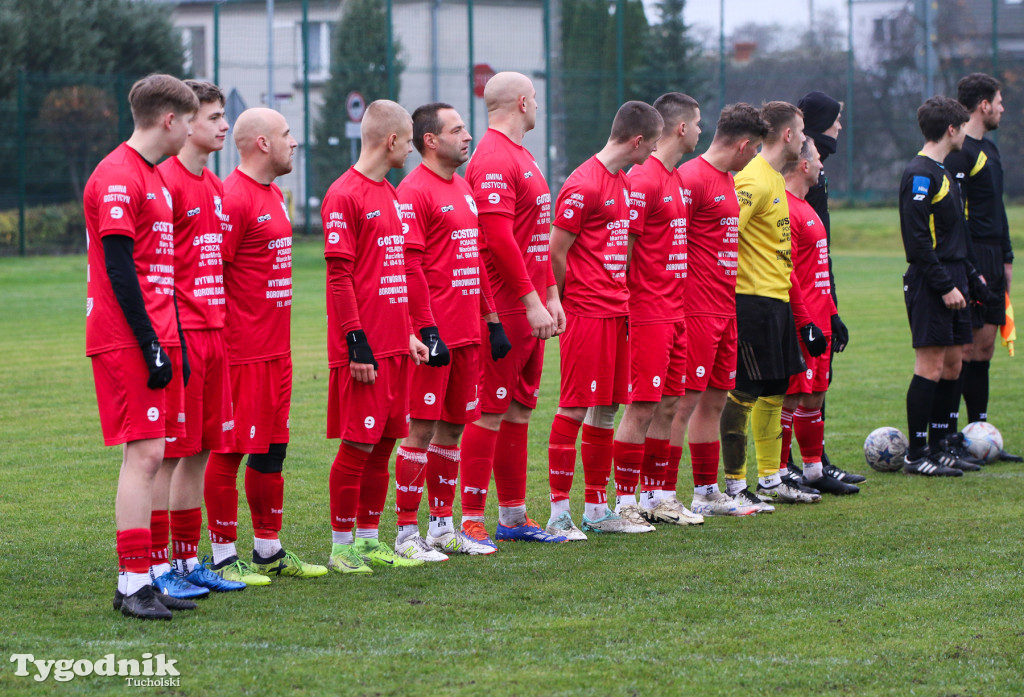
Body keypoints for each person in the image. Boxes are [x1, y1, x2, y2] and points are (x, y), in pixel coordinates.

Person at [85, 73, 199, 619]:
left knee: (156, 455)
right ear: (170, 120)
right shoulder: (117, 174)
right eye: (192, 120)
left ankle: (148, 575)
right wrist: (151, 343)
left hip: (158, 335)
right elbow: (119, 267)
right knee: (146, 454)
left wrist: (175, 342)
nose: (195, 131)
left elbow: (163, 273)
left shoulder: (154, 177)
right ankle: (132, 583)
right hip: (126, 337)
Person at [204, 107, 328, 583]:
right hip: (241, 352)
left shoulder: (275, 193)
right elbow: (214, 275)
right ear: (261, 143)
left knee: (273, 449)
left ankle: (268, 550)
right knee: (230, 451)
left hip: (278, 351)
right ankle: (220, 555)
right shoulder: (233, 198)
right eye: (286, 134)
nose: (294, 142)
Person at [392, 102, 510, 561]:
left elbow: (475, 261)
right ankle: (405, 534)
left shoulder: (463, 187)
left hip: (468, 334)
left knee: (453, 431)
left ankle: (442, 527)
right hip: (434, 336)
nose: (467, 136)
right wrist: (425, 328)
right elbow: (409, 265)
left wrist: (493, 321)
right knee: (419, 431)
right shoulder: (414, 191)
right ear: (430, 140)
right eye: (457, 129)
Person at [544, 100, 664, 537]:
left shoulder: (624, 184)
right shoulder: (583, 184)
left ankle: (597, 509)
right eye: (651, 145)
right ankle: (559, 513)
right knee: (574, 408)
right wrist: (560, 302)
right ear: (637, 141)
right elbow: (556, 251)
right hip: (585, 313)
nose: (652, 153)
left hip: (617, 311)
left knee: (606, 410)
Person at [323, 100, 431, 574]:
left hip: (394, 347)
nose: (409, 149)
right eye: (408, 141)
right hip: (364, 350)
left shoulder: (390, 194)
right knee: (357, 447)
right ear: (391, 141)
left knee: (384, 445)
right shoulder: (344, 194)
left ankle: (368, 539)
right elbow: (339, 277)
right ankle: (341, 545)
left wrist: (408, 332)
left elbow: (395, 273)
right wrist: (355, 341)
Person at [460, 72, 566, 545]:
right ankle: (468, 517)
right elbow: (498, 239)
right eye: (536, 99)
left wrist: (551, 295)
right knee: (488, 410)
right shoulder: (493, 157)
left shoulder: (522, 156)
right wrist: (528, 300)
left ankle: (514, 516)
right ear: (523, 102)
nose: (538, 107)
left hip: (531, 304)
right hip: (503, 306)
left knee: (520, 410)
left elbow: (535, 240)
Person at [154, 80, 246, 594]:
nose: (223, 126)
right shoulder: (165, 182)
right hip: (182, 336)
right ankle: (155, 566)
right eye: (213, 117)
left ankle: (189, 563)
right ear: (186, 122)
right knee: (169, 454)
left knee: (201, 452)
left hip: (217, 337)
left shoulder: (215, 187)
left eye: (222, 117)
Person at [720, 101, 829, 510]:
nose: (804, 140)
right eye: (801, 132)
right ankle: (733, 485)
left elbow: (778, 254)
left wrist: (801, 319)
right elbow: (726, 236)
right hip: (751, 303)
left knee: (776, 390)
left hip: (777, 301)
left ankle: (771, 478)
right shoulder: (753, 180)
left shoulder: (774, 181)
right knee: (744, 391)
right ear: (788, 135)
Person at [603, 92, 703, 528]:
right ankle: (624, 501)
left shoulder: (676, 178)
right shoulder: (643, 180)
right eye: (698, 123)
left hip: (675, 310)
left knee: (669, 403)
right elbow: (622, 250)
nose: (701, 131)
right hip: (647, 312)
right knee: (641, 406)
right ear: (681, 128)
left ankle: (657, 495)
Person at [674, 103, 766, 517]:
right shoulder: (690, 178)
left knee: (713, 402)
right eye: (756, 149)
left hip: (724, 309)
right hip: (695, 310)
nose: (756, 157)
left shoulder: (729, 179)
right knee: (684, 404)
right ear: (744, 144)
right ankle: (660, 493)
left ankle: (707, 493)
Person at [900, 96, 993, 476]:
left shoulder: (943, 172)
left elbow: (955, 237)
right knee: (931, 364)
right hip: (931, 282)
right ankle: (916, 454)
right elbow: (918, 242)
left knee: (954, 363)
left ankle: (941, 445)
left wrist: (972, 278)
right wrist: (944, 286)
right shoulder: (920, 173)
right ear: (951, 129)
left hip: (955, 278)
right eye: (963, 128)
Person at [944, 72, 1021, 462]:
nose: (1003, 107)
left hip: (994, 256)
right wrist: (971, 266)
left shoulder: (990, 148)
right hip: (972, 258)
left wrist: (1007, 256)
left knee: (986, 347)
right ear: (983, 105)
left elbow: (998, 208)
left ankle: (981, 433)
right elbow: (959, 216)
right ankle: (954, 438)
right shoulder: (961, 152)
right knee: (966, 348)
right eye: (999, 100)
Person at [779, 137, 858, 494]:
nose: (823, 166)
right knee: (792, 396)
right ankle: (780, 471)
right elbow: (789, 271)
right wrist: (804, 320)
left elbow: (818, 269)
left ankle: (813, 471)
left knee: (815, 394)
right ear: (803, 165)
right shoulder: (786, 209)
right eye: (817, 161)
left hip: (822, 316)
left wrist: (834, 314)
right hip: (803, 320)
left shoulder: (807, 206)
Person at [795, 90, 861, 485]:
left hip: (819, 294)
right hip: (796, 298)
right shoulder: (797, 170)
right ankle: (784, 467)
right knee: (792, 385)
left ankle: (815, 461)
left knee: (821, 379)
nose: (841, 126)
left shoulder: (820, 170)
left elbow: (823, 251)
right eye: (836, 118)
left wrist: (832, 305)